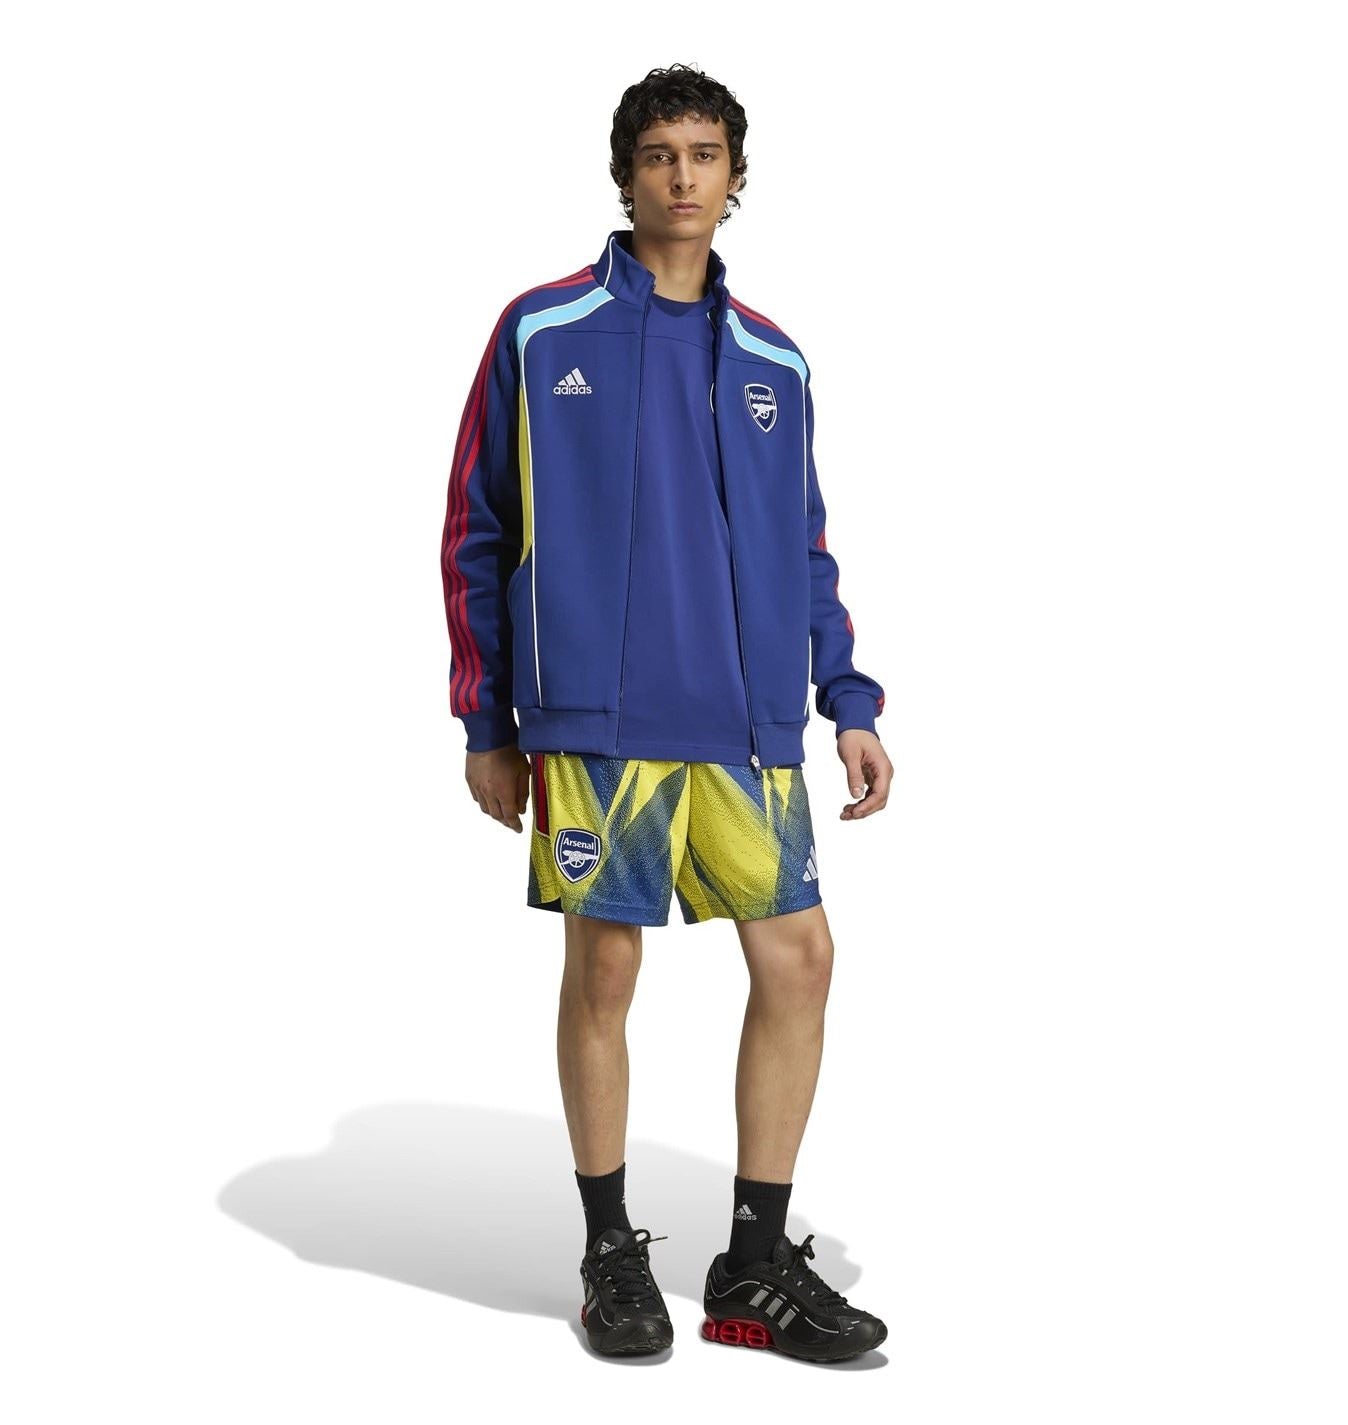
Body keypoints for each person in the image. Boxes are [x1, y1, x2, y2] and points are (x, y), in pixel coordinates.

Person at [440, 63, 893, 1363]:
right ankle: (608, 1248)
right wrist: (487, 721)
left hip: (746, 723)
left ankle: (753, 1265)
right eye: (658, 154)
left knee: (799, 959)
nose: (682, 176)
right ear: (625, 173)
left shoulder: (772, 359)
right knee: (605, 969)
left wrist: (844, 698)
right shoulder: (544, 331)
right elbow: (478, 528)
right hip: (597, 724)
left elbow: (804, 545)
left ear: (735, 178)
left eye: (704, 154)